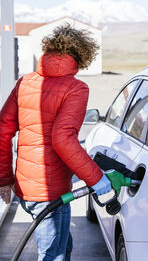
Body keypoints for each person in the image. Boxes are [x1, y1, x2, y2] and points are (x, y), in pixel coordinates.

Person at [0, 23, 112, 261]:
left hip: (25, 190)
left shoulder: (25, 82)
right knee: (53, 255)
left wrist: (4, 179)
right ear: (82, 55)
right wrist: (97, 179)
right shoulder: (76, 88)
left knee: (63, 246)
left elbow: (2, 130)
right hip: (49, 193)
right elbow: (63, 139)